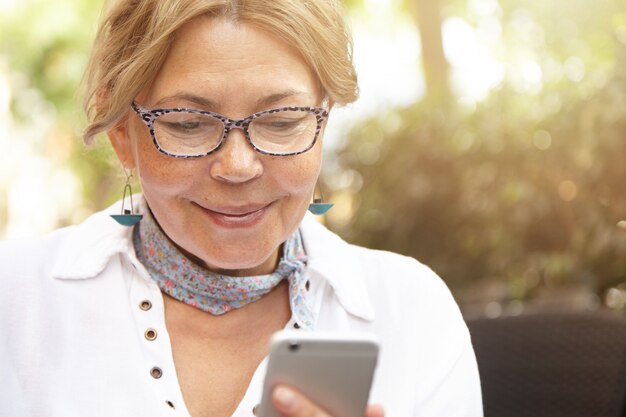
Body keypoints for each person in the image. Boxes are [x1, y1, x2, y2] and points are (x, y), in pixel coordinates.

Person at [0, 0, 483, 416]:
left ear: (323, 122)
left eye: (282, 121)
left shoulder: (411, 312)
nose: (237, 166)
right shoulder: (18, 302)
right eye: (188, 124)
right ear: (123, 133)